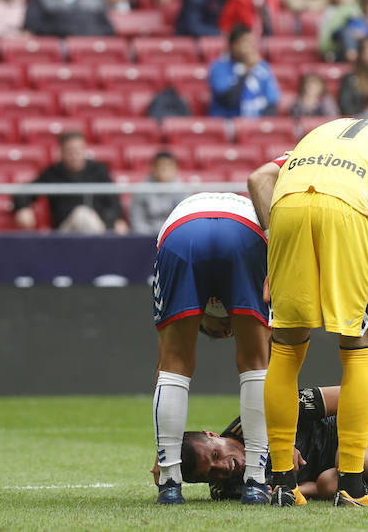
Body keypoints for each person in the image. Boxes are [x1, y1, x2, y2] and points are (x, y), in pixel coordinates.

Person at [249, 118, 368, 508]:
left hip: (288, 206)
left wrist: (275, 245)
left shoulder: (327, 138)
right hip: (350, 212)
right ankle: (352, 485)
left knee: (285, 351)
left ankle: (283, 485)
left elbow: (260, 178)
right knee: (358, 352)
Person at [150, 192, 273, 505]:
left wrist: (162, 453)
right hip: (246, 230)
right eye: (225, 330)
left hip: (182, 232)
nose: (229, 330)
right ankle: (257, 481)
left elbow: (164, 364)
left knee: (174, 363)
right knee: (256, 363)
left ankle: (169, 481)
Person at [168, 386, 368, 501]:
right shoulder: (229, 488)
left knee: (353, 458)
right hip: (339, 474)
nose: (225, 467)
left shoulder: (266, 414)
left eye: (216, 454)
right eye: (212, 472)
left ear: (213, 434)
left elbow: (362, 396)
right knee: (329, 483)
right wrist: (287, 483)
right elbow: (310, 489)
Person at [13, 132, 128, 234]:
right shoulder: (53, 173)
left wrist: (114, 221)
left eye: (78, 150)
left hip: (98, 226)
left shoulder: (98, 170)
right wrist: (22, 208)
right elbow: (24, 192)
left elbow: (113, 201)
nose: (74, 156)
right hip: (65, 233)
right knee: (82, 214)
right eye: (70, 151)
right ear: (61, 152)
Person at [209, 25, 280, 118]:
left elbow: (272, 102)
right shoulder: (219, 67)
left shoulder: (262, 66)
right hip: (228, 123)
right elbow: (229, 100)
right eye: (246, 42)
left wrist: (262, 126)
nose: (251, 47)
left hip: (256, 125)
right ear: (233, 45)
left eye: (252, 42)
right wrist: (246, 71)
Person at [129, 151, 186, 235]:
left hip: (172, 236)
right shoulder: (141, 190)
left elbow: (183, 220)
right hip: (146, 237)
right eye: (160, 167)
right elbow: (137, 220)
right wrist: (149, 237)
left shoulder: (182, 190)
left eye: (168, 167)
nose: (164, 171)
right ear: (153, 168)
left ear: (175, 169)